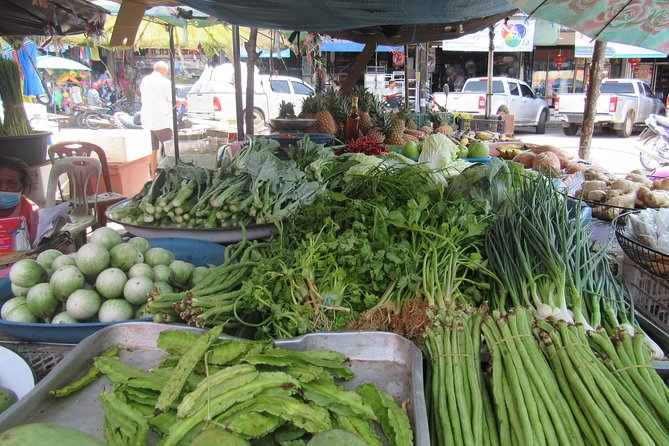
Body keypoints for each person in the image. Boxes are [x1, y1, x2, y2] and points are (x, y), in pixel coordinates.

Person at [140, 61, 178, 178]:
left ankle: (153, 177)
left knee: (153, 151)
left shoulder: (145, 80)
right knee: (170, 151)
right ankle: (169, 177)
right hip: (162, 121)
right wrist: (182, 101)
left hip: (148, 121)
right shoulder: (164, 82)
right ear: (164, 71)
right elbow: (173, 99)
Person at [0, 157, 39, 247]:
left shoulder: (30, 211)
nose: (3, 188)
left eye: (11, 183)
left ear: (23, 187)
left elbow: (35, 244)